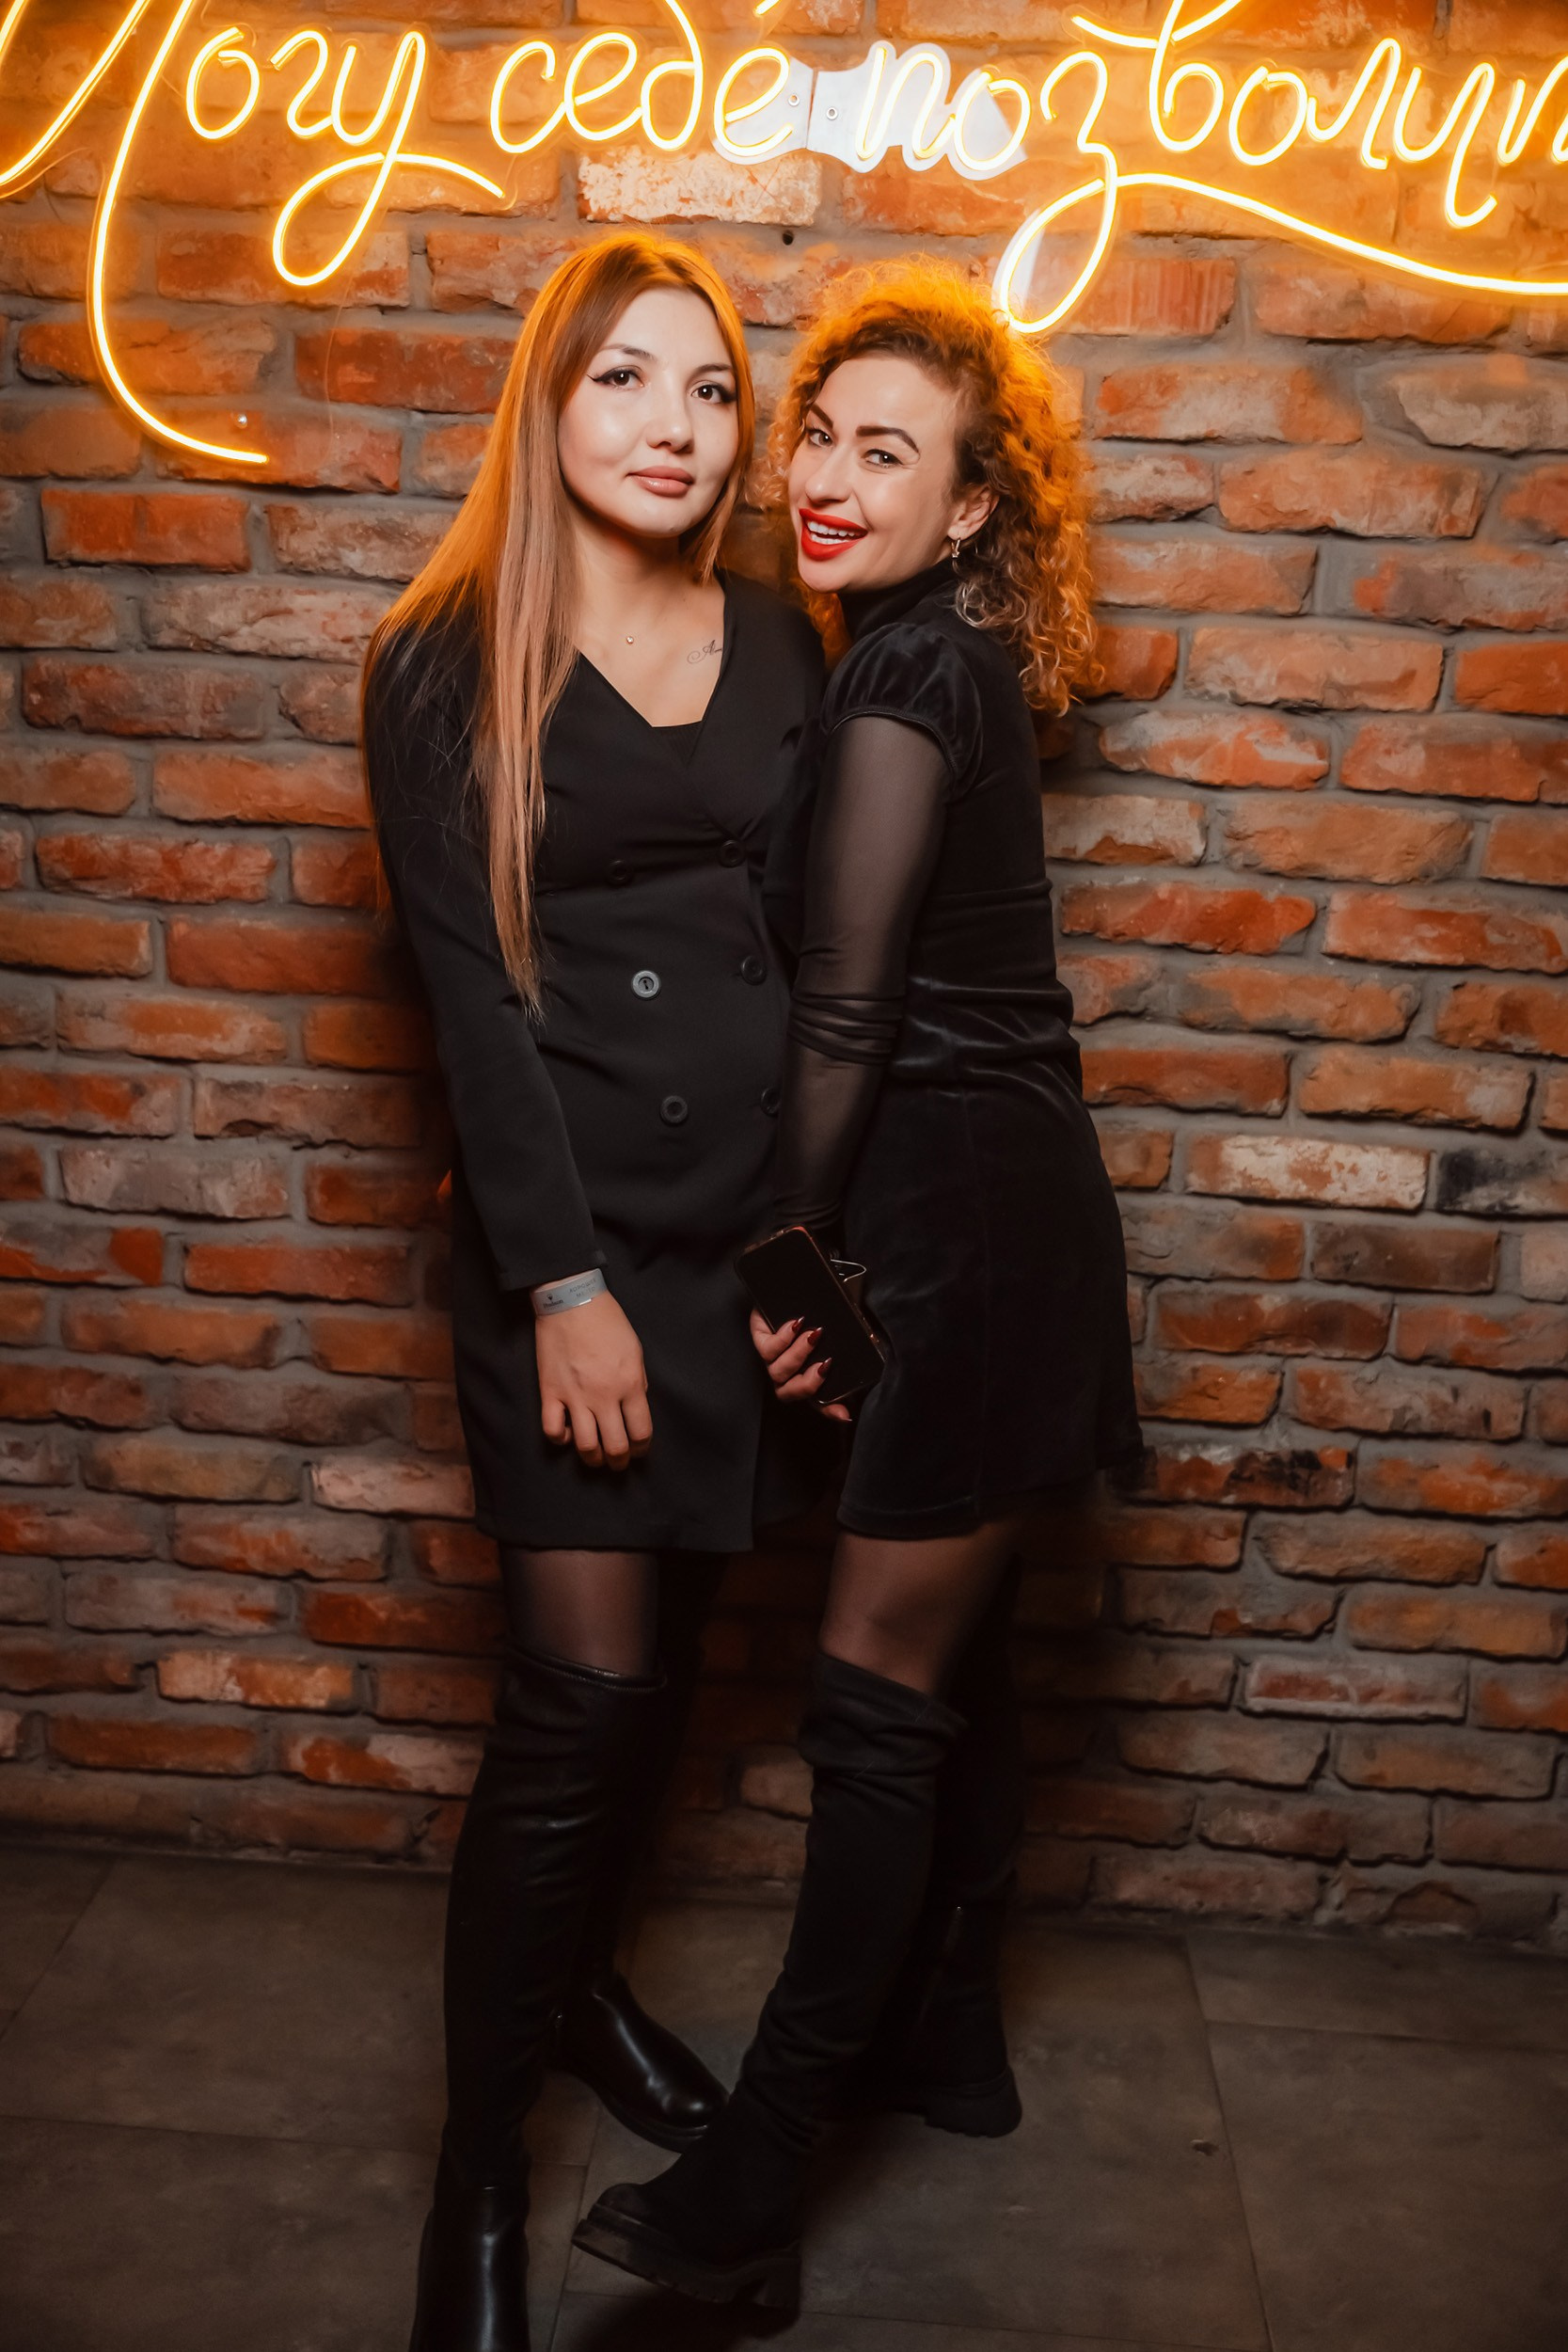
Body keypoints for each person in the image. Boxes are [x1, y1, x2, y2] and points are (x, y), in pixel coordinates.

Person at [575, 259, 1143, 2309]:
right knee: (949, 1662)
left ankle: (760, 2179)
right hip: (988, 1211)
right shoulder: (923, 660)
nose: (821, 475)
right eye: (815, 433)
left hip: (964, 1226)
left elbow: (848, 1010)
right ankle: (952, 2041)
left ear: (972, 506)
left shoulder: (906, 683)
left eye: (884, 453)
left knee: (876, 1695)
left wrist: (781, 1257)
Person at [362, 231, 832, 2352]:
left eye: (713, 390)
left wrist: (818, 1256)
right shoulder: (442, 657)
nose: (676, 426)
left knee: (672, 1672)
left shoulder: (783, 640)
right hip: (575, 1252)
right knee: (578, 1701)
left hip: (742, 1249)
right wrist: (560, 1282)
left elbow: (833, 959)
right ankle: (477, 2171)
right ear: (550, 402)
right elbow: (471, 1003)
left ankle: (581, 1990)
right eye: (627, 379)